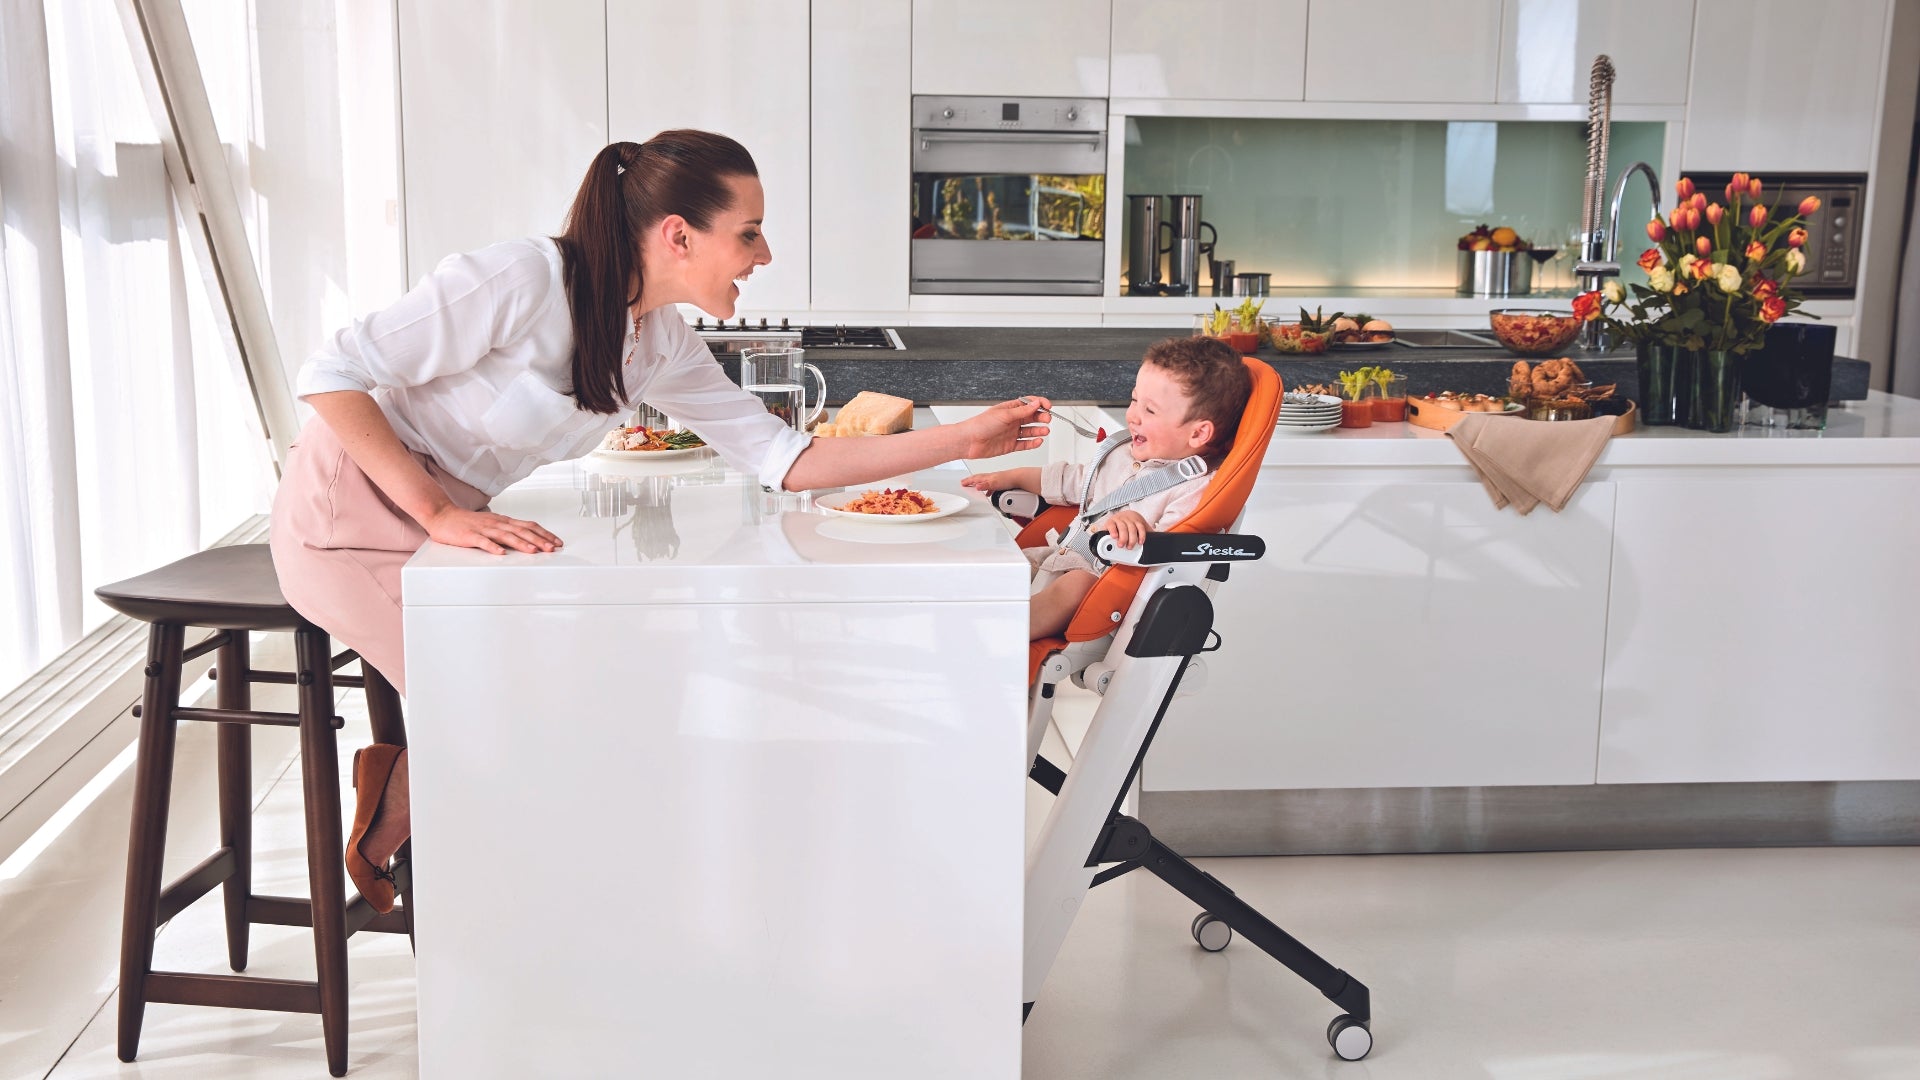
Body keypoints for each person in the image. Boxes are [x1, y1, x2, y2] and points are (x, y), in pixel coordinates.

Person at [270, 131, 1051, 908]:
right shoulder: (520, 277)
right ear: (678, 234)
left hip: (457, 525)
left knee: (576, 679)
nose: (764, 254)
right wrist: (436, 509)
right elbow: (331, 372)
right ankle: (469, 886)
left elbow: (785, 459)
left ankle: (561, 885)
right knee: (505, 706)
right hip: (347, 514)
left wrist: (960, 439)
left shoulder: (661, 342)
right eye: (748, 233)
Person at [961, 336, 1250, 640]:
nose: (1133, 415)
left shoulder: (1194, 488)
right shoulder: (1123, 453)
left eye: (1150, 410)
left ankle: (1002, 634)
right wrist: (1012, 477)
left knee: (1075, 586)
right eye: (1134, 399)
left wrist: (1142, 529)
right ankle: (960, 620)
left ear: (1199, 432)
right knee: (1000, 568)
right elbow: (1075, 480)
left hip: (1102, 578)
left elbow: (1175, 551)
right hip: (1059, 553)